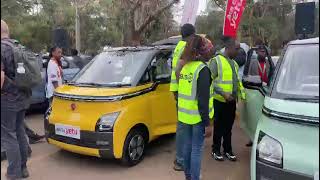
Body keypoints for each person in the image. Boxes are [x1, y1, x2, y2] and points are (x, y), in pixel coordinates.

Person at [177, 35, 213, 180]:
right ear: (203, 51)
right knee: (196, 150)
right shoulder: (202, 70)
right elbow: (203, 100)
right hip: (197, 117)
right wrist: (208, 123)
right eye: (209, 49)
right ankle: (195, 177)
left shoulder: (186, 68)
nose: (210, 52)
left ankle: (188, 176)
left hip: (184, 116)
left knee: (187, 147)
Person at [1, 19, 31, 179]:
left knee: (8, 136)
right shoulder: (17, 46)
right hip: (23, 98)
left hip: (7, 99)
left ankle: (13, 173)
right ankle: (23, 168)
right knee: (19, 132)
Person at [208, 36, 246, 162]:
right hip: (220, 100)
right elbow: (210, 81)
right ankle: (216, 150)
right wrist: (223, 93)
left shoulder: (234, 63)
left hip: (231, 101)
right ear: (229, 48)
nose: (238, 52)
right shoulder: (216, 61)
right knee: (219, 127)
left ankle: (228, 150)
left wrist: (241, 95)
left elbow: (237, 82)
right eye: (237, 49)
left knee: (228, 128)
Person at [170, 23, 196, 171]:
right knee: (184, 127)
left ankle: (181, 158)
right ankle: (180, 160)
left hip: (178, 91)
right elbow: (179, 71)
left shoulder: (178, 47)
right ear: (192, 34)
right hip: (184, 92)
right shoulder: (186, 47)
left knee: (182, 127)